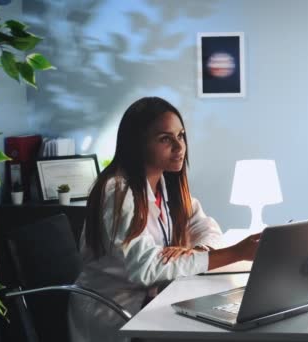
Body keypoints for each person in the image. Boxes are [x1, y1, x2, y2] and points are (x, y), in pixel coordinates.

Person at [68, 97, 260, 342]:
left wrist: (198, 250)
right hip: (115, 313)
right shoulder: (117, 191)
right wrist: (236, 253)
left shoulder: (164, 184)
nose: (179, 147)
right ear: (138, 144)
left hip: (153, 301)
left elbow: (206, 227)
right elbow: (146, 269)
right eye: (165, 139)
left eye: (180, 136)